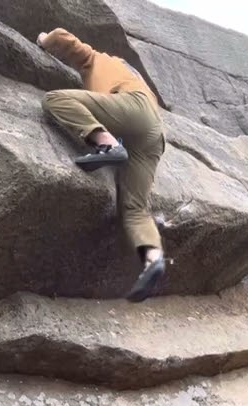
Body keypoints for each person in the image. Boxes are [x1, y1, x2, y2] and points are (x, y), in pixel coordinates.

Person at [37, 28, 167, 302]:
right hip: (154, 134)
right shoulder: (140, 83)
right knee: (134, 209)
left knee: (55, 99)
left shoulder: (100, 59)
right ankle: (153, 259)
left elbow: (64, 37)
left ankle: (105, 144)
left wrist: (43, 40)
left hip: (132, 107)